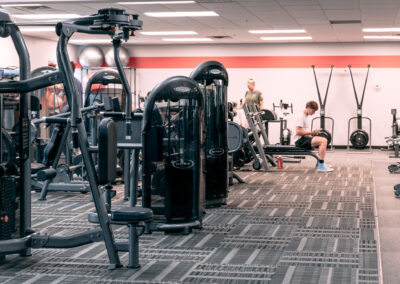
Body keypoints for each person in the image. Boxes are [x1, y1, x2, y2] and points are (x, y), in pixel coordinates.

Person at [294, 101, 333, 172]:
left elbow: (305, 131)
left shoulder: (305, 116)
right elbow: (298, 132)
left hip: (304, 139)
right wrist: (312, 132)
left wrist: (312, 135)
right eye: (313, 111)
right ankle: (321, 165)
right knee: (323, 141)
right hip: (299, 141)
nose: (314, 113)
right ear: (308, 108)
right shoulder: (301, 116)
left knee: (323, 139)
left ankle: (320, 163)